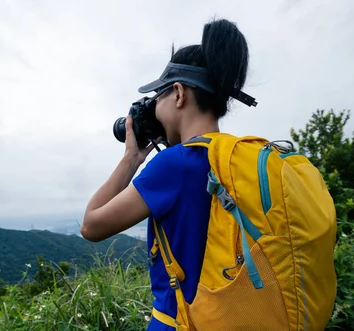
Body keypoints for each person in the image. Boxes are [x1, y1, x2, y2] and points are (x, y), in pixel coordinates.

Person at [81, 17, 251, 330]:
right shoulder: (236, 158)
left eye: (159, 96)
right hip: (231, 318)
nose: (155, 107)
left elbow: (91, 226)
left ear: (178, 94)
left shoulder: (175, 164)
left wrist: (131, 160)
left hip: (179, 322)